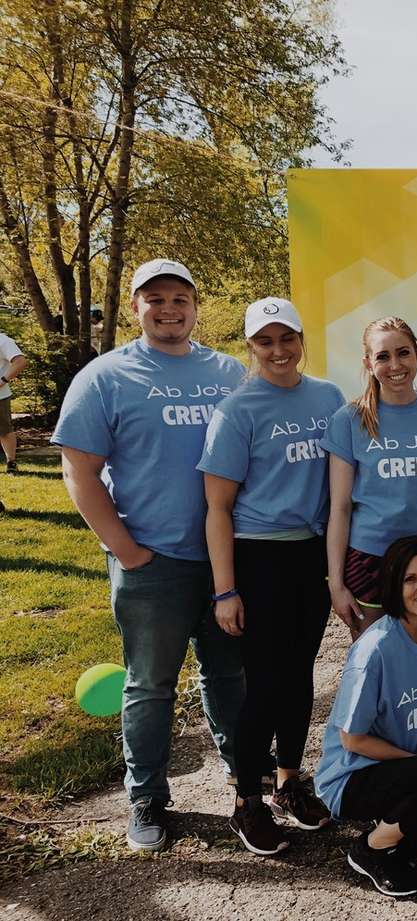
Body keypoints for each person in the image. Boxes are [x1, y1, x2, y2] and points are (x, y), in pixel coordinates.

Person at [52, 259, 245, 851]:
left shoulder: (229, 372)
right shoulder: (105, 376)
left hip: (226, 563)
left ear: (194, 305)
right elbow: (78, 471)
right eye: (154, 298)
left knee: (230, 676)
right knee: (150, 685)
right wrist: (128, 552)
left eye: (180, 298)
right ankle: (147, 799)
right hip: (152, 563)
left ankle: (248, 782)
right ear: (136, 307)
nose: (168, 308)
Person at [198, 298, 345, 855]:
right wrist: (226, 589)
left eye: (288, 338)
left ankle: (287, 781)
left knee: (300, 674)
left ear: (302, 339)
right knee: (263, 684)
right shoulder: (238, 410)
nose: (278, 350)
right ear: (251, 346)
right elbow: (217, 507)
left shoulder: (328, 397)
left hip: (309, 556)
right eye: (266, 341)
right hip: (258, 557)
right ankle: (246, 802)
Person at [314, 535, 417, 898]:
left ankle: (398, 828)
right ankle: (371, 849)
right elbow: (353, 739)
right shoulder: (374, 649)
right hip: (353, 775)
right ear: (393, 585)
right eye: (410, 579)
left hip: (403, 765)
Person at [320, 316, 417, 639]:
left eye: (403, 353)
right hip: (369, 561)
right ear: (368, 363)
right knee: (377, 666)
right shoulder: (349, 421)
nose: (395, 364)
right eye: (382, 356)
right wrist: (336, 582)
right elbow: (340, 507)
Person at [0, 327, 27, 478]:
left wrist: (3, 380)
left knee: (4, 430)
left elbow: (20, 362)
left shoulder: (3, 341)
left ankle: (11, 462)